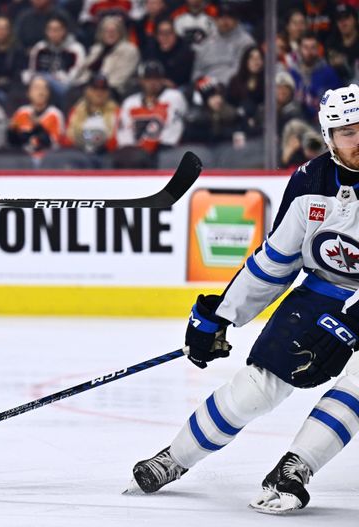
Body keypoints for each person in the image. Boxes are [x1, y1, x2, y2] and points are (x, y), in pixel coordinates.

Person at [127, 83, 359, 514]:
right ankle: (174, 459)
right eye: (348, 132)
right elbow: (277, 261)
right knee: (258, 386)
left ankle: (295, 468)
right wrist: (222, 314)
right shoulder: (311, 181)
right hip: (323, 289)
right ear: (329, 139)